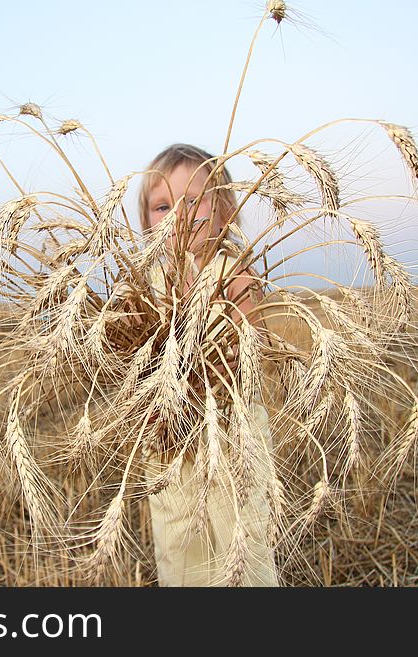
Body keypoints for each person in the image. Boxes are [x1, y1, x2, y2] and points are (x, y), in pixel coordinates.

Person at [137, 143, 280, 587]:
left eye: (194, 201)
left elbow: (247, 349)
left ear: (224, 211)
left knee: (242, 546)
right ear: (146, 221)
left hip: (230, 436)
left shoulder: (230, 271)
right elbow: (132, 352)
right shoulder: (149, 282)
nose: (179, 214)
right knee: (179, 553)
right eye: (163, 206)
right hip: (168, 442)